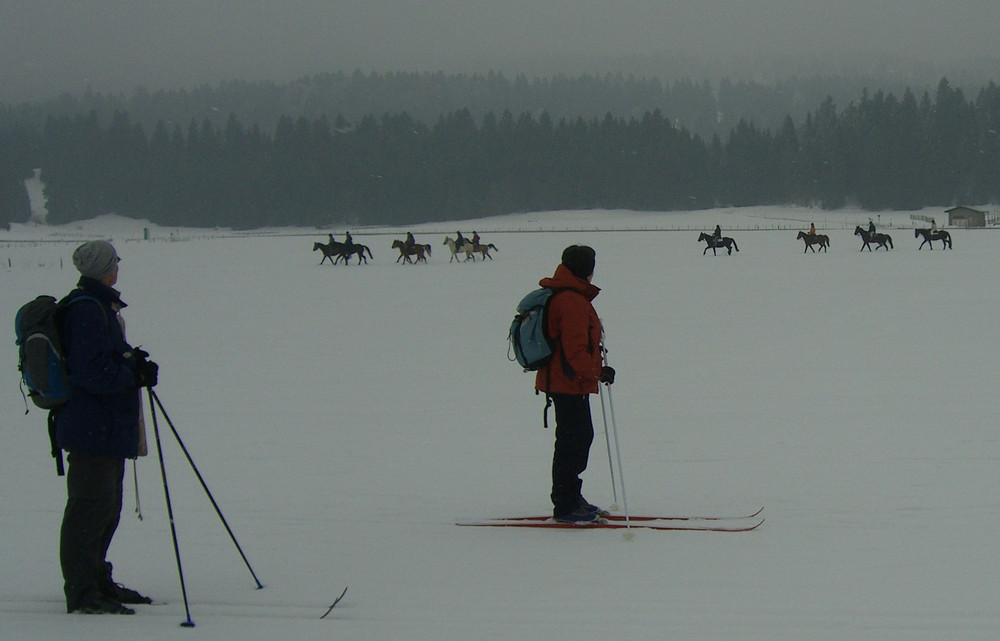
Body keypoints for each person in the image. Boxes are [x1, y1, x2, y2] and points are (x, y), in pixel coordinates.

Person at [56, 240, 159, 615]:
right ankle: (84, 593)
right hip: (92, 428)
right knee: (89, 509)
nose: (119, 267)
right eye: (115, 262)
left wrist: (134, 363)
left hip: (105, 427)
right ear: (106, 268)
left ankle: (98, 583)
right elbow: (92, 372)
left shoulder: (99, 304)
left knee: (106, 509)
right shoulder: (86, 309)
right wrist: (131, 375)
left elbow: (105, 360)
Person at [535, 245, 615, 524]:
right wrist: (598, 372)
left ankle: (570, 497)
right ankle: (566, 504)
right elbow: (575, 350)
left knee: (577, 439)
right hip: (568, 382)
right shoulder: (571, 301)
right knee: (573, 442)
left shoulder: (569, 295)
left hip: (568, 382)